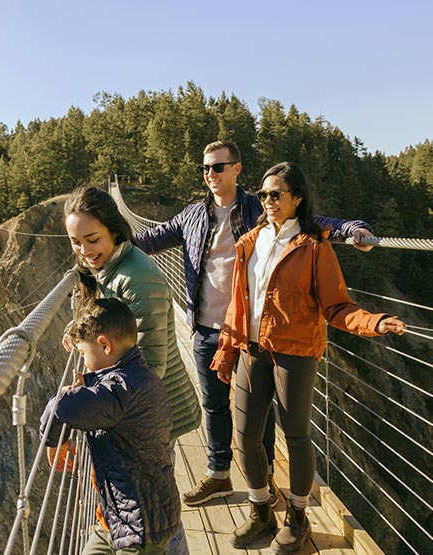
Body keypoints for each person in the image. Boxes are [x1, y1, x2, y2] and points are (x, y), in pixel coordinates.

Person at [134, 141, 376, 507]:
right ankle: (219, 475)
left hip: (250, 331)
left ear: (237, 169)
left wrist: (352, 230)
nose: (210, 175)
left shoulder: (258, 208)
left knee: (256, 416)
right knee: (214, 406)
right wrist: (105, 249)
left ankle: (262, 482)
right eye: (205, 169)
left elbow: (312, 224)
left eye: (218, 167)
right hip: (205, 327)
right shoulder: (191, 215)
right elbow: (150, 240)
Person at [210, 161, 406, 553]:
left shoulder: (315, 247)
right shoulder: (250, 241)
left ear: (297, 199)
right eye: (263, 194)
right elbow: (238, 303)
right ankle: (261, 510)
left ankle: (297, 517)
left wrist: (375, 322)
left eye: (276, 194)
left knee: (296, 436)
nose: (267, 201)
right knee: (246, 438)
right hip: (252, 350)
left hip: (295, 354)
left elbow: (337, 306)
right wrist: (228, 348)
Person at [63, 186, 201, 554]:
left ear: (115, 231)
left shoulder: (138, 278)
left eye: (92, 239)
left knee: (154, 516)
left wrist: (94, 402)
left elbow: (151, 367)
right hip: (138, 409)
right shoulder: (110, 267)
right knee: (156, 512)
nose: (84, 251)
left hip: (151, 412)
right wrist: (78, 332)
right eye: (75, 242)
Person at [40, 297, 181, 554]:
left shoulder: (119, 390)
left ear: (104, 345)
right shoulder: (137, 376)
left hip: (141, 527)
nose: (82, 363)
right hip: (118, 519)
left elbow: (63, 407)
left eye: (83, 353)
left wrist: (55, 442)